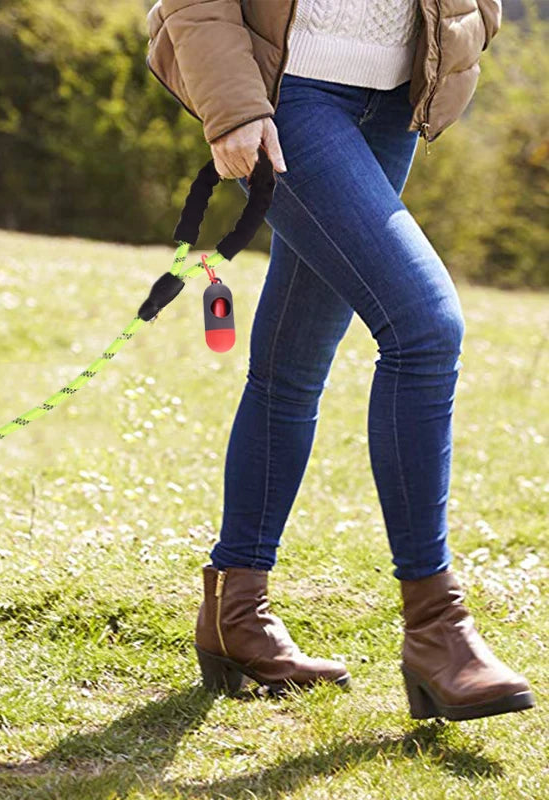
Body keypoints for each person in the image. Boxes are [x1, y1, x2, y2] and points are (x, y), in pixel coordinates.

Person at [147, 0, 536, 721]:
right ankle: (437, 629)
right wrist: (232, 106)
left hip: (394, 99)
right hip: (284, 91)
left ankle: (237, 610)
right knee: (424, 329)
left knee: (290, 365)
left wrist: (472, 27)